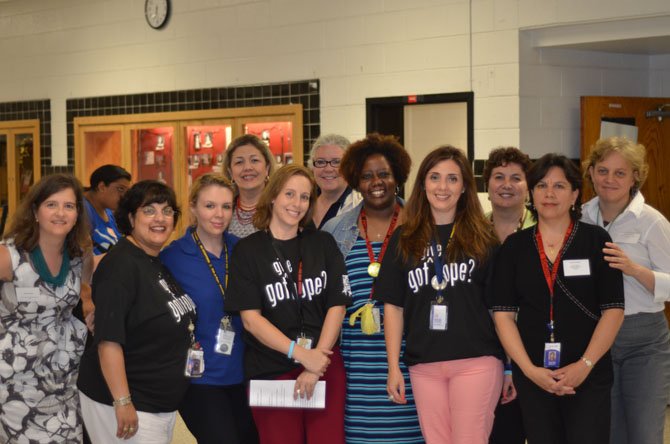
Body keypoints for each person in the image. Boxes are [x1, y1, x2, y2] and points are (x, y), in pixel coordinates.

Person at [374, 146, 504, 444]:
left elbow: (499, 309)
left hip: (476, 360)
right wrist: (393, 367)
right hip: (424, 364)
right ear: (422, 185)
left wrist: (509, 367)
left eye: (452, 179)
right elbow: (393, 308)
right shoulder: (404, 237)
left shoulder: (484, 236)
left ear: (464, 188)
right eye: (434, 177)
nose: (442, 187)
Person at [492, 153, 625, 444]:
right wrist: (528, 371)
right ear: (532, 192)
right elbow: (502, 315)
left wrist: (584, 365)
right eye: (541, 185)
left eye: (559, 186)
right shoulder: (515, 247)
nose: (549, 194)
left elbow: (613, 311)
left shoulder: (597, 241)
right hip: (534, 376)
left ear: (575, 193)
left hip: (588, 376)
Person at [225, 164, 351, 444]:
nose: (297, 204)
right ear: (273, 196)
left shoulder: (323, 243)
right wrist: (300, 354)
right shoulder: (248, 251)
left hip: (324, 363)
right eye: (289, 194)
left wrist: (315, 362)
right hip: (271, 369)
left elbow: (337, 305)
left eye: (304, 197)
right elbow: (251, 320)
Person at [77, 180, 197, 444]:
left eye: (167, 211)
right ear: (131, 216)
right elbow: (108, 341)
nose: (160, 218)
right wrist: (123, 402)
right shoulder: (121, 266)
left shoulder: (153, 260)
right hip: (124, 403)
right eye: (149, 210)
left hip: (156, 403)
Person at [322, 133, 423, 444]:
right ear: (355, 180)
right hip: (357, 368)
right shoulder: (335, 230)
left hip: (413, 361)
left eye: (384, 174)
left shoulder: (422, 225)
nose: (376, 182)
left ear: (398, 177)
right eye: (366, 176)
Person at [581, 136, 670, 444]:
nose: (609, 179)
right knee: (609, 433)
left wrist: (634, 270)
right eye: (603, 170)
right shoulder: (579, 216)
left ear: (635, 177)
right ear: (591, 173)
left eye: (620, 173)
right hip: (594, 337)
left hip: (643, 341)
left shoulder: (651, 222)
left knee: (644, 434)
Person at [160, 173, 258, 444]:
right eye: (209, 206)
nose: (219, 214)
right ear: (193, 207)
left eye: (226, 206)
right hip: (199, 379)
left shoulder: (243, 251)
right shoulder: (172, 257)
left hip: (243, 375)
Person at [0, 174, 92, 443]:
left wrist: (91, 307)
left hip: (63, 380)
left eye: (69, 206)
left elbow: (89, 289)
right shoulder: (9, 256)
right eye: (52, 204)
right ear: (35, 211)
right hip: (13, 383)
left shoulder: (79, 256)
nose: (60, 213)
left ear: (77, 214)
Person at [482, 147, 533, 444]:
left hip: (536, 353)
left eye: (516, 177)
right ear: (487, 186)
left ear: (528, 187)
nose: (506, 184)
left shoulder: (544, 232)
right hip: (484, 354)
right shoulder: (471, 233)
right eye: (498, 177)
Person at [222, 134, 276, 238]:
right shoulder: (222, 209)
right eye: (239, 162)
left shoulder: (281, 207)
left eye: (254, 160)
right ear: (230, 172)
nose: (247, 167)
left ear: (267, 168)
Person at [309, 134, 362, 229]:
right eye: (321, 162)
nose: (328, 169)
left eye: (336, 162)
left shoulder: (361, 206)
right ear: (312, 167)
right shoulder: (305, 201)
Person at [84, 164, 131, 256]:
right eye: (120, 189)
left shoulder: (108, 211)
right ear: (102, 186)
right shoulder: (81, 210)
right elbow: (82, 261)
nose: (124, 196)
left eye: (127, 191)